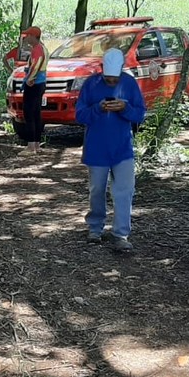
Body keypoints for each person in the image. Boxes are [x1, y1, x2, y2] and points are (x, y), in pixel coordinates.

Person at [75, 48, 146, 253]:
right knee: (97, 189)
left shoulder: (130, 84)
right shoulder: (91, 84)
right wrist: (98, 108)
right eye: (108, 78)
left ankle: (121, 234)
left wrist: (125, 109)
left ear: (122, 70)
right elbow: (80, 115)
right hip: (97, 148)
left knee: (124, 191)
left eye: (115, 79)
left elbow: (140, 114)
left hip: (122, 148)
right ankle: (95, 227)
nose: (112, 82)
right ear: (102, 70)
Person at [20, 26, 47, 153]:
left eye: (27, 36)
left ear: (32, 36)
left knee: (29, 113)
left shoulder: (37, 49)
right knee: (36, 113)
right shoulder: (43, 48)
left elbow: (35, 65)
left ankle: (31, 146)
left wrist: (30, 79)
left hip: (34, 83)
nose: (26, 38)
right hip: (41, 82)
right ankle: (36, 144)